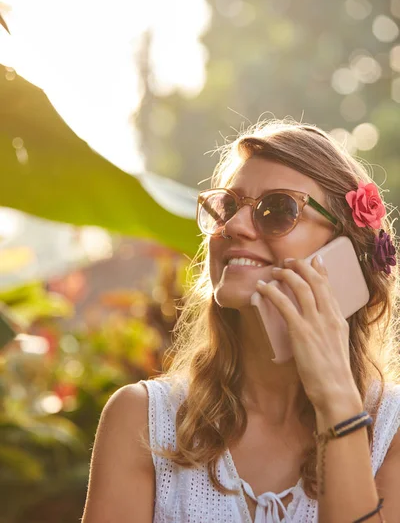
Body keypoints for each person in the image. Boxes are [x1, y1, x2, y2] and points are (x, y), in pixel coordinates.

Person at [82, 120, 400, 523]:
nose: (232, 226)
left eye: (278, 209)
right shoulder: (142, 420)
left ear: (344, 253)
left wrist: (337, 403)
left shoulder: (392, 429)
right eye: (229, 207)